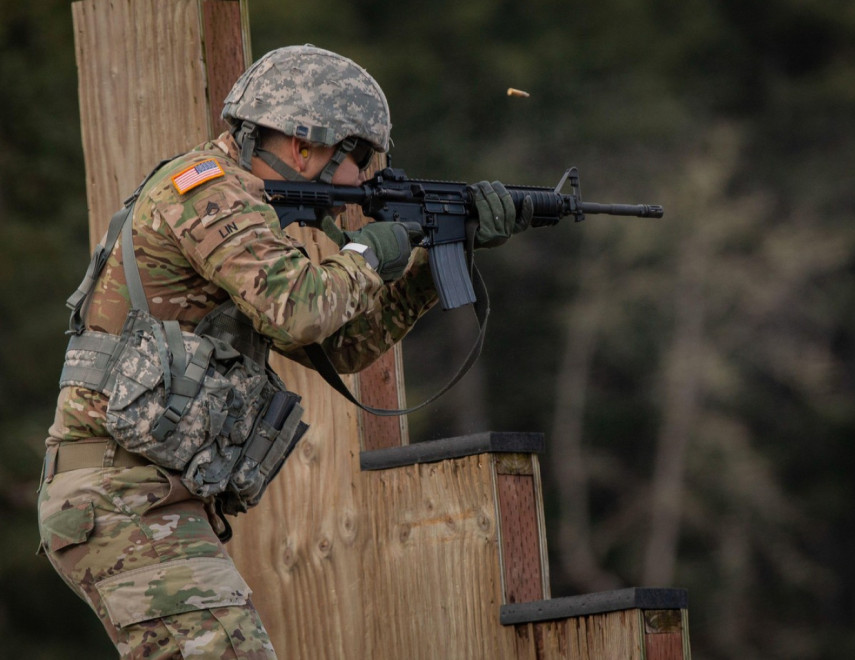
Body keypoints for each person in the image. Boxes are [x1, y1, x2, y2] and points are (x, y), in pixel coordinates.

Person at [37, 45, 527, 659]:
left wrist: (435, 262)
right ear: (304, 147)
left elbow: (342, 345)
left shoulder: (250, 210)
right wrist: (367, 253)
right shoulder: (207, 191)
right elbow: (300, 309)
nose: (366, 183)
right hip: (122, 492)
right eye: (361, 160)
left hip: (144, 493)